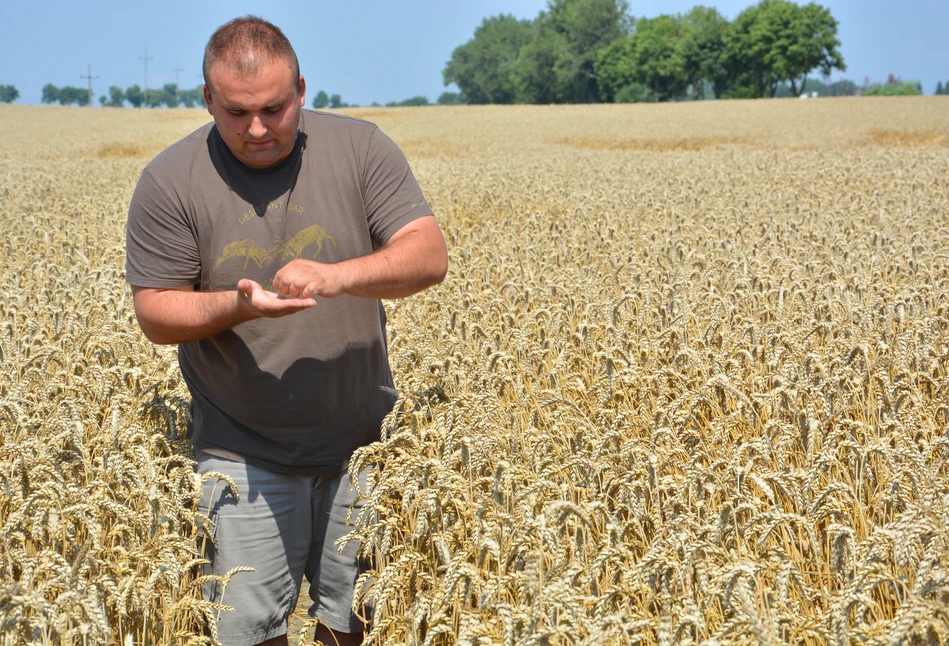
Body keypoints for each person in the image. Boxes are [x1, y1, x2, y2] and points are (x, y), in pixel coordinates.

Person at [125, 16, 448, 646]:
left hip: (364, 446)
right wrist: (239, 306)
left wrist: (338, 276)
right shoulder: (170, 180)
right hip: (242, 453)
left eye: (274, 108)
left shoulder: (360, 149)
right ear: (206, 99)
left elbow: (428, 256)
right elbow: (156, 313)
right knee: (248, 632)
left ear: (301, 88)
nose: (257, 129)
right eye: (236, 111)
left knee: (355, 625)